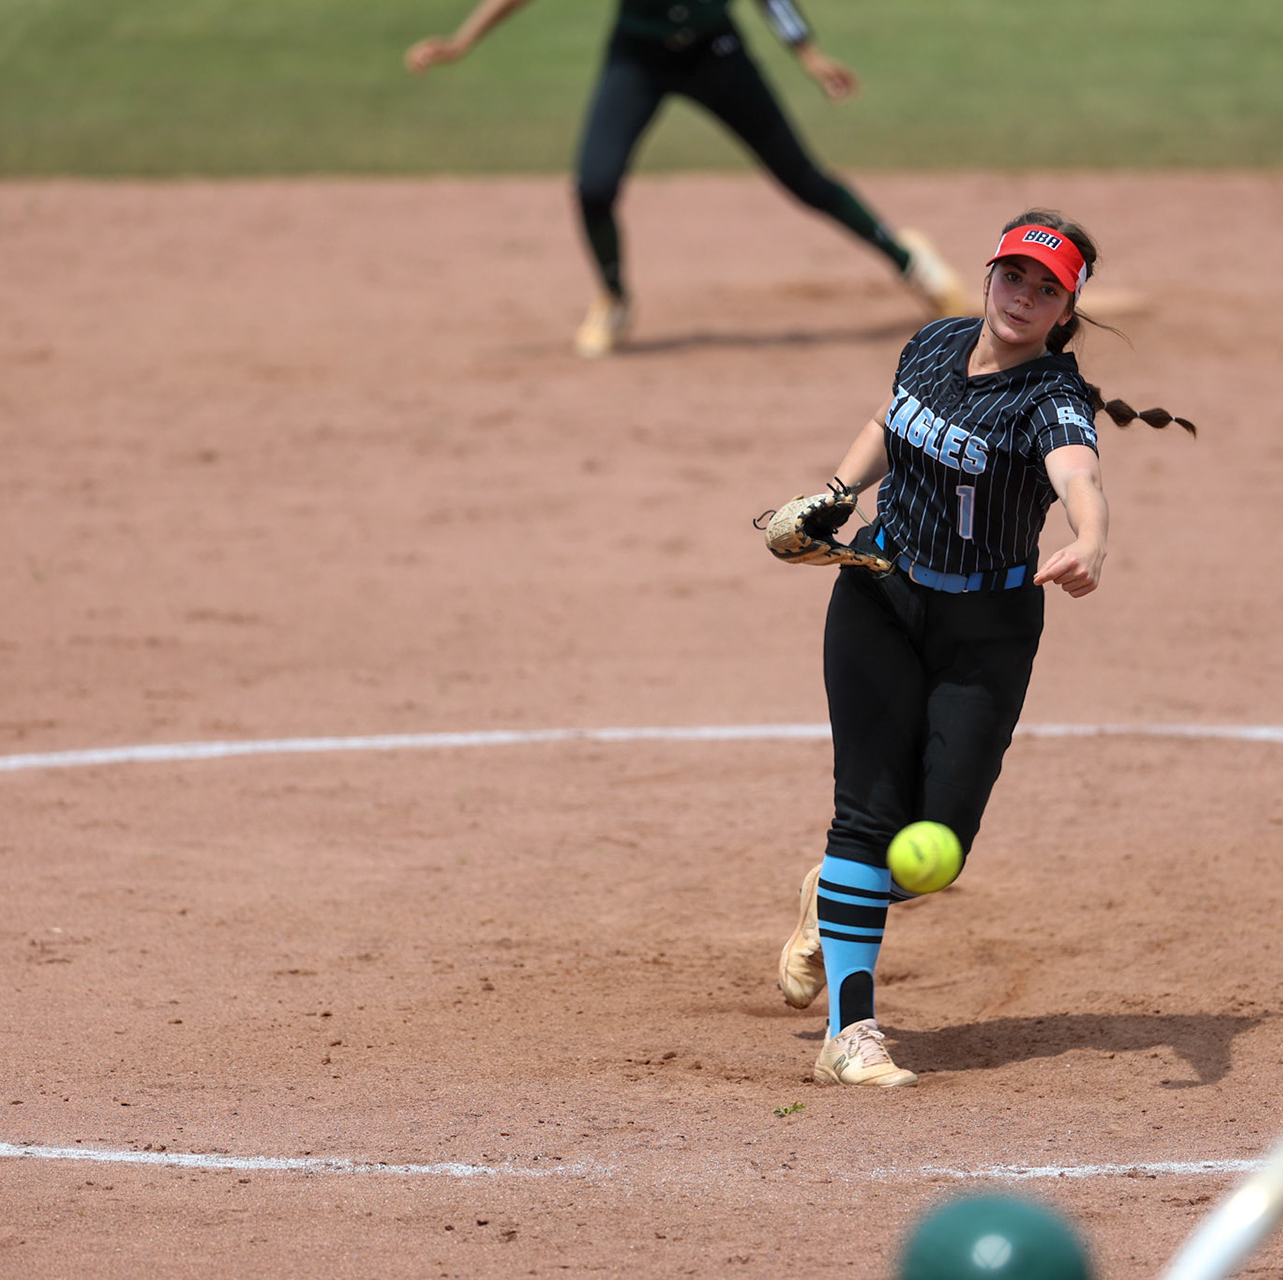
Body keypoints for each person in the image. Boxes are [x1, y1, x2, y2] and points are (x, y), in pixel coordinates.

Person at [768, 209, 1191, 1087]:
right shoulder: (932, 341)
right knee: (868, 817)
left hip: (988, 632)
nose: (1023, 297)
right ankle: (851, 1036)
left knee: (936, 853)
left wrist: (1092, 539)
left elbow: (1079, 473)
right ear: (990, 274)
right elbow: (889, 423)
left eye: (1048, 287)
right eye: (1014, 276)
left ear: (1067, 307)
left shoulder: (1053, 398)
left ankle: (830, 901)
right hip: (878, 597)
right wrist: (836, 491)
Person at [405, 0, 968, 357]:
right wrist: (463, 42)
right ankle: (613, 297)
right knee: (593, 185)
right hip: (638, 59)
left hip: (715, 56)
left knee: (801, 178)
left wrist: (808, 53)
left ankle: (912, 263)